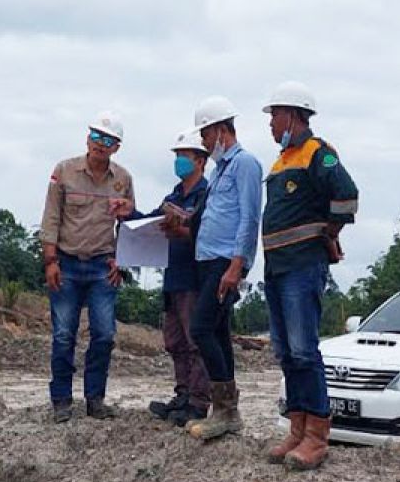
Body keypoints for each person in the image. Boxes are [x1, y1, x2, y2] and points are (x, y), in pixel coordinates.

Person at [260, 81, 358, 470]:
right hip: (277, 267)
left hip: (302, 266)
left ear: (293, 114)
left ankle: (317, 435)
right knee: (285, 352)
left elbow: (347, 195)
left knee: (304, 350)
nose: (270, 124)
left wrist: (329, 233)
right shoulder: (281, 161)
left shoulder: (318, 153)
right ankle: (297, 428)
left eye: (274, 116)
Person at [112, 129, 212, 427]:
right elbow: (149, 223)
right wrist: (130, 214)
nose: (179, 161)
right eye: (177, 156)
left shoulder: (206, 195)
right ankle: (181, 396)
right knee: (175, 342)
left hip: (195, 278)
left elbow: (208, 234)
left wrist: (184, 229)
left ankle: (198, 402)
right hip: (172, 277)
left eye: (185, 156)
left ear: (201, 160)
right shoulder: (174, 196)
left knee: (196, 343)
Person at [40, 112, 135, 423]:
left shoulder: (123, 180)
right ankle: (62, 401)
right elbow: (51, 218)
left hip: (101, 267)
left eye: (107, 140)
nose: (100, 144)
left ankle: (95, 398)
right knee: (64, 335)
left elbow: (130, 225)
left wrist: (121, 261)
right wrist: (50, 261)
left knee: (105, 335)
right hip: (66, 263)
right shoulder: (64, 171)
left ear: (116, 147)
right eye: (96, 136)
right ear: (87, 138)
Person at [183, 96, 263, 441]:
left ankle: (225, 409)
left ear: (219, 130)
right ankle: (228, 413)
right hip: (207, 261)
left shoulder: (245, 164)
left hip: (224, 263)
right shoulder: (220, 170)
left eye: (204, 134)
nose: (202, 142)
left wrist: (237, 265)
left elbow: (249, 217)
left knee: (200, 328)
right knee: (217, 333)